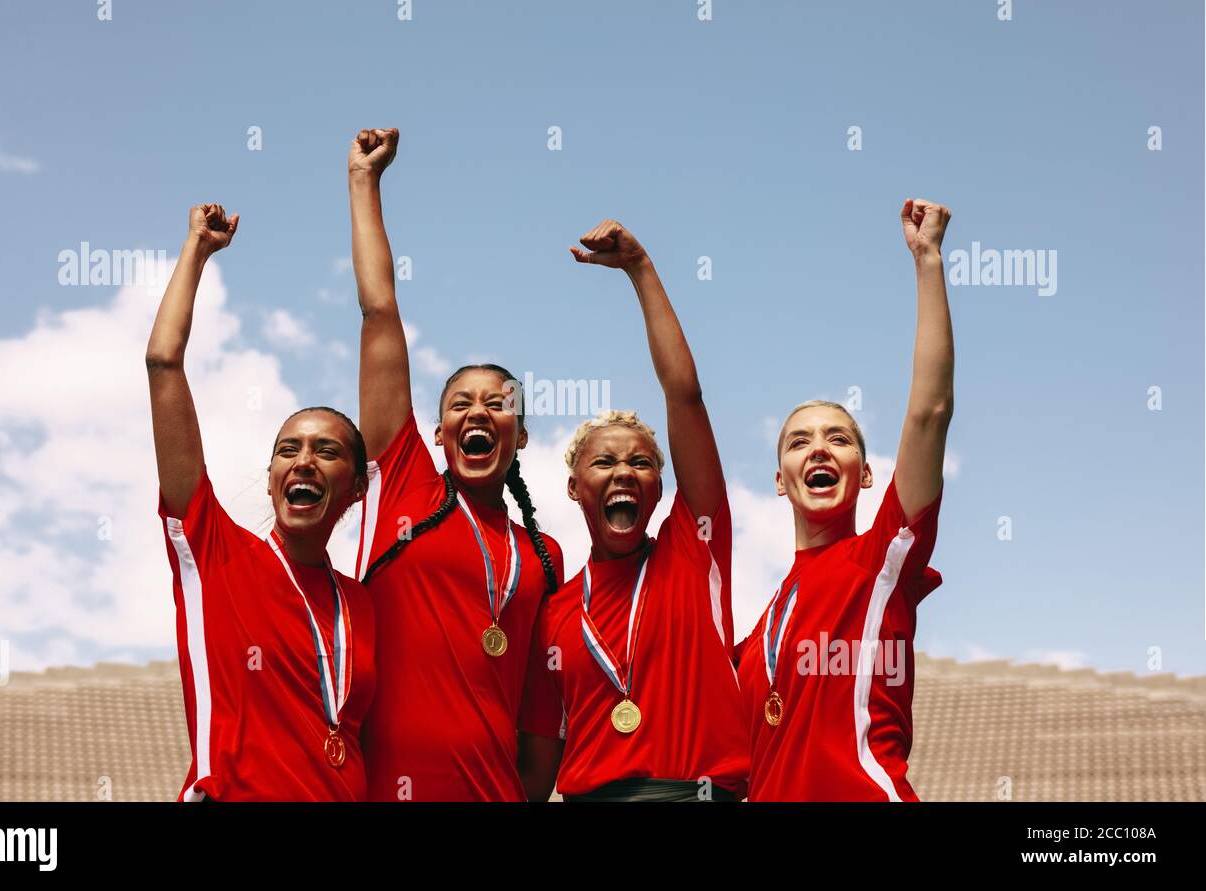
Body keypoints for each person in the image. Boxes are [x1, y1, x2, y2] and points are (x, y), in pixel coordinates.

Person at [347, 128, 564, 801]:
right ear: (438, 432)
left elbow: (540, 723)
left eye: (497, 404)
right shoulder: (400, 476)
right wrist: (364, 182)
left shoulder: (544, 553)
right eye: (460, 404)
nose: (478, 413)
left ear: (520, 434)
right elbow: (379, 310)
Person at [147, 204, 375, 801]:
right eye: (287, 449)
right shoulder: (215, 551)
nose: (302, 461)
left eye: (326, 451)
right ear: (272, 476)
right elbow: (162, 363)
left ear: (356, 487)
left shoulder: (362, 605)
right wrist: (197, 251)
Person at [517, 220, 748, 802]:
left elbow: (685, 395)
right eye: (605, 464)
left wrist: (640, 269)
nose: (624, 472)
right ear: (575, 489)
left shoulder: (694, 546)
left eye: (642, 463)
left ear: (661, 485)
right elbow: (539, 764)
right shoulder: (555, 614)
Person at [736, 198, 954, 801]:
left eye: (839, 439)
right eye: (799, 442)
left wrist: (928, 261)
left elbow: (930, 414)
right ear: (780, 479)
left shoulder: (878, 560)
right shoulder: (759, 637)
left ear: (864, 475)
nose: (820, 451)